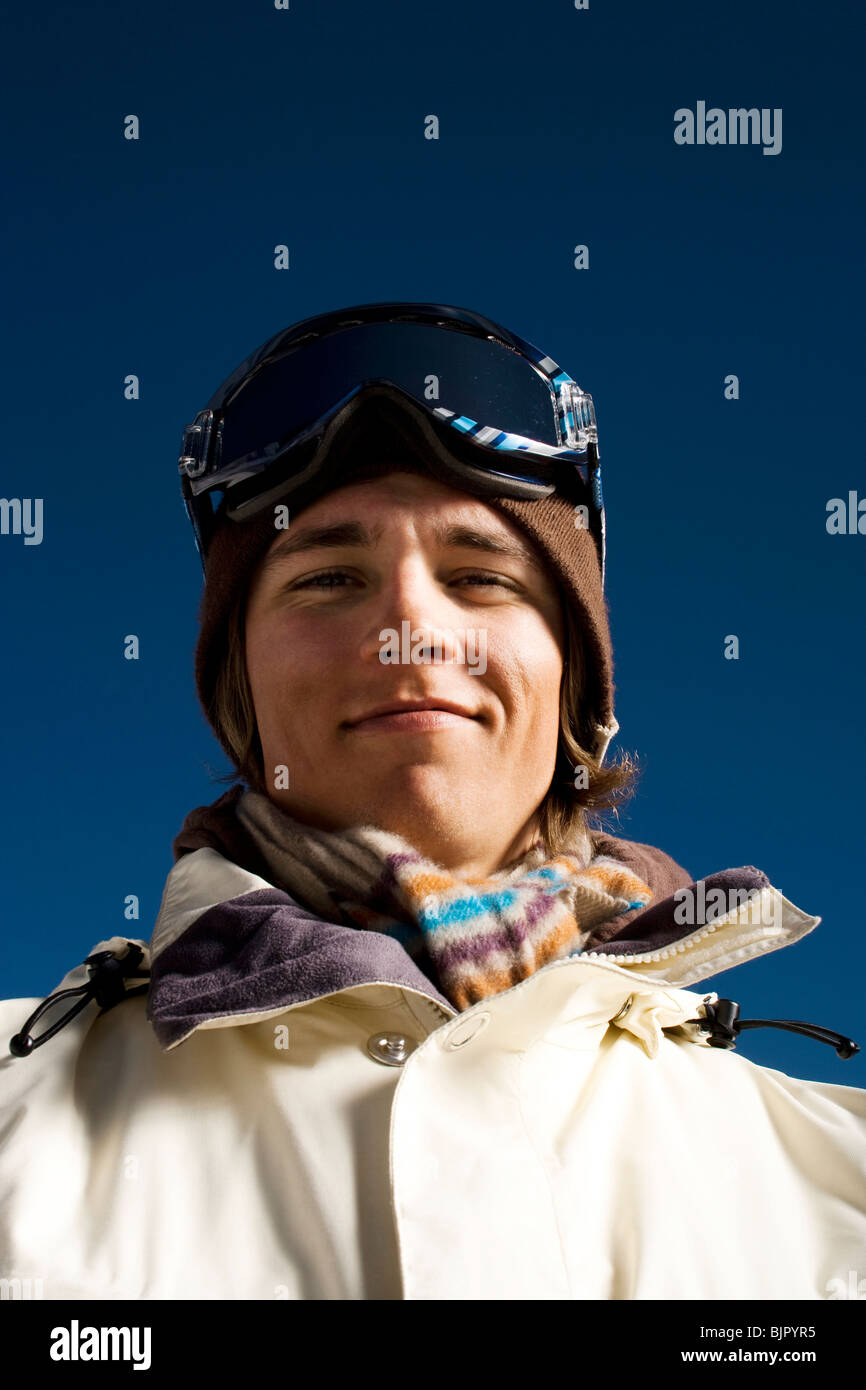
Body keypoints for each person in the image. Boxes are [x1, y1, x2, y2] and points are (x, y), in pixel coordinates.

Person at [1, 302, 865, 1301]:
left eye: (481, 577)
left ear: (577, 686)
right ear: (241, 688)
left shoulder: (837, 1186)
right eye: (329, 578)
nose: (409, 622)